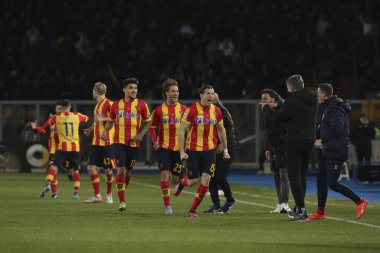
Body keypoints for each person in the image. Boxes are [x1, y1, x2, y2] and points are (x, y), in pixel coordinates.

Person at [261, 74, 318, 222]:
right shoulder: (314, 98)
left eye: (287, 87)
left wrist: (266, 109)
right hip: (309, 141)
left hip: (295, 142)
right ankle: (300, 208)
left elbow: (276, 118)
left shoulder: (292, 101)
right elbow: (294, 117)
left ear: (291, 87)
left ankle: (302, 211)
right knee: (302, 175)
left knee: (293, 178)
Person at [310, 83, 368, 220]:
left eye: (318, 93)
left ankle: (360, 202)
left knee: (332, 183)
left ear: (323, 94)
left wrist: (322, 140)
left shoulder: (335, 108)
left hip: (336, 150)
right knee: (320, 180)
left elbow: (337, 128)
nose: (317, 95)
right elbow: (325, 127)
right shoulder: (327, 107)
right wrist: (316, 137)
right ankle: (320, 212)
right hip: (328, 149)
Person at [173, 84, 230, 218]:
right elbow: (181, 130)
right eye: (208, 93)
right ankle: (183, 183)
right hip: (193, 151)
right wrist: (181, 151)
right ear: (201, 95)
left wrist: (225, 147)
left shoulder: (216, 111)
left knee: (206, 180)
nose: (211, 96)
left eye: (212, 93)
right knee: (192, 182)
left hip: (210, 151)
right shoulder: (191, 110)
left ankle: (192, 210)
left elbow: (221, 129)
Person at [103, 77, 151, 212]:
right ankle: (122, 202)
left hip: (134, 144)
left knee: (128, 174)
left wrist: (141, 135)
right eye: (130, 88)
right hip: (119, 142)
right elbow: (111, 121)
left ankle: (122, 187)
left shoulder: (142, 104)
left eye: (135, 88)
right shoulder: (116, 105)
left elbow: (149, 122)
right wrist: (105, 132)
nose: (133, 90)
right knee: (120, 170)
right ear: (124, 89)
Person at [148, 78, 187, 215]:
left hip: (179, 149)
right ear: (166, 93)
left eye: (177, 91)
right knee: (164, 174)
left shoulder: (184, 110)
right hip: (164, 147)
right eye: (173, 91)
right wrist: (155, 140)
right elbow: (151, 128)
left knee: (177, 178)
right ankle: (168, 206)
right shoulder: (158, 111)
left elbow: (192, 127)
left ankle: (179, 183)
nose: (176, 93)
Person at [39, 99, 89, 199]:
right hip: (75, 148)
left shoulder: (56, 117)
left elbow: (43, 128)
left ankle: (48, 183)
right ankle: (76, 193)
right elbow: (87, 118)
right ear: (70, 107)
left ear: (61, 108)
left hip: (63, 147)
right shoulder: (76, 115)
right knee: (76, 171)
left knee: (54, 167)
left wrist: (35, 127)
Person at [30, 101, 73, 198]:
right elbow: (43, 130)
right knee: (54, 170)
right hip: (54, 149)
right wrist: (35, 127)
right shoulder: (52, 119)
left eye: (60, 108)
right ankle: (54, 192)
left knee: (64, 171)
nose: (58, 110)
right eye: (57, 108)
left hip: (65, 149)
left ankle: (68, 176)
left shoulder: (66, 119)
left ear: (63, 109)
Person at [203, 93, 237, 213]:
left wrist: (223, 144)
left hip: (227, 148)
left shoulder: (221, 111)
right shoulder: (213, 110)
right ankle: (216, 205)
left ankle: (230, 199)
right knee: (211, 177)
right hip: (215, 147)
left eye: (211, 97)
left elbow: (228, 129)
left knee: (220, 177)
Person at [83, 82, 116, 204]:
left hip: (107, 142)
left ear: (95, 91)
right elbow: (97, 121)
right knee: (91, 168)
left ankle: (109, 194)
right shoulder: (97, 106)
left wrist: (102, 119)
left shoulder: (109, 104)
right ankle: (97, 195)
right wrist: (90, 129)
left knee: (108, 170)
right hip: (96, 142)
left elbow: (115, 118)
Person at [260, 89, 291, 214]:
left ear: (274, 99)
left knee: (284, 176)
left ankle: (285, 204)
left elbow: (282, 129)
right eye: (262, 99)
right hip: (273, 148)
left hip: (283, 148)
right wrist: (267, 148)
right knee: (276, 176)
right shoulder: (268, 113)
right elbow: (269, 132)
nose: (263, 101)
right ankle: (280, 204)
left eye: (265, 98)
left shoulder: (283, 109)